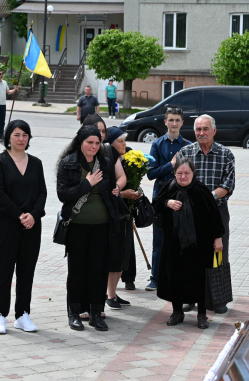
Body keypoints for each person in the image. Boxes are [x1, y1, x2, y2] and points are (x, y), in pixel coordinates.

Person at [57, 125, 120, 332]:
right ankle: (74, 313)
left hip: (102, 226)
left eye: (97, 143)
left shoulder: (105, 163)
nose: (93, 146)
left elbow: (110, 188)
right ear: (80, 142)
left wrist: (115, 191)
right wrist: (87, 183)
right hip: (77, 226)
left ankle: (96, 313)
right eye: (89, 142)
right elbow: (63, 194)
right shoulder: (68, 163)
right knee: (77, 270)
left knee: (98, 270)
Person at [0, 120, 47, 334]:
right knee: (3, 270)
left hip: (32, 225)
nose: (21, 139)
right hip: (6, 224)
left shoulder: (36, 163)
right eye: (16, 135)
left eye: (25, 135)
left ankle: (22, 314)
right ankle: (0, 315)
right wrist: (19, 215)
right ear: (8, 137)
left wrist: (33, 215)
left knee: (26, 271)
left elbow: (42, 193)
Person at [153, 157, 225, 329]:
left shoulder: (202, 190)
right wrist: (167, 203)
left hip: (200, 245)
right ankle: (177, 312)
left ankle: (202, 315)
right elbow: (154, 205)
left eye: (187, 173)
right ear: (174, 173)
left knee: (200, 278)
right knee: (175, 277)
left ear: (193, 173)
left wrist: (218, 238)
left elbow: (214, 216)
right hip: (173, 243)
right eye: (180, 173)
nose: (183, 176)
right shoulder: (168, 188)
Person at [177, 114, 235, 314]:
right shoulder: (185, 152)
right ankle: (189, 297)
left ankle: (218, 299)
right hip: (190, 213)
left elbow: (228, 185)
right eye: (198, 130)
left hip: (217, 212)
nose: (201, 133)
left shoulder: (226, 154)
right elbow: (179, 181)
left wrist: (207, 198)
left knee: (218, 254)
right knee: (190, 255)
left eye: (205, 129)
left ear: (214, 131)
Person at [145, 106, 191, 291]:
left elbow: (191, 173)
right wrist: (171, 165)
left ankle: (178, 276)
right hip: (161, 198)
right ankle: (155, 278)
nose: (173, 123)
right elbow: (151, 174)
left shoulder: (187, 145)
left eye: (177, 120)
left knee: (181, 239)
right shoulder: (157, 145)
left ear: (182, 123)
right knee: (159, 241)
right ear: (165, 122)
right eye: (170, 120)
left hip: (182, 198)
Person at [104, 127, 138, 310]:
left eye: (125, 141)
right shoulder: (107, 159)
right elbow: (110, 190)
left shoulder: (128, 157)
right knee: (115, 255)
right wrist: (123, 194)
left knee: (123, 254)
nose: (125, 145)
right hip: (113, 214)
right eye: (120, 141)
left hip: (125, 213)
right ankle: (109, 295)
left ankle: (114, 292)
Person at [0, 69, 18, 142]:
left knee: (2, 121)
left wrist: (14, 90)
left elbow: (8, 92)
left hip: (3, 104)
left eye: (2, 74)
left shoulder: (4, 83)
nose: (1, 75)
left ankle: (1, 134)